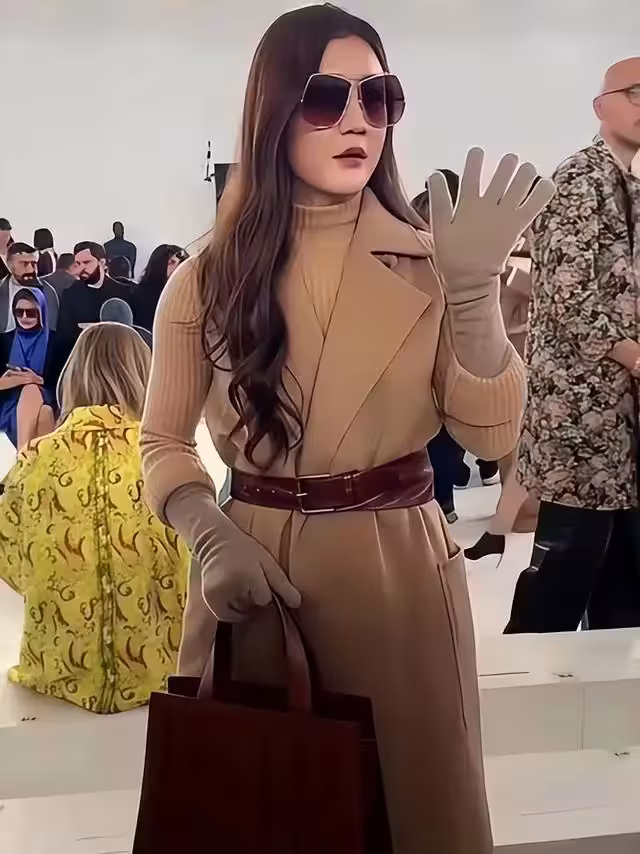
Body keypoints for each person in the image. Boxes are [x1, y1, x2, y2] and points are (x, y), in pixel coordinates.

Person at [140, 7, 553, 852]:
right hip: (257, 573)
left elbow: (492, 437)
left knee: (410, 812)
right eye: (328, 97)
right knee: (260, 810)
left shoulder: (433, 264)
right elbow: (164, 442)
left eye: (380, 96)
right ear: (273, 111)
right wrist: (209, 534)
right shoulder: (207, 280)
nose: (359, 119)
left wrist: (476, 301)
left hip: (396, 574)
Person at [507, 57, 640, 633]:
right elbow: (567, 296)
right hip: (581, 418)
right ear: (601, 106)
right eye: (636, 93)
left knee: (621, 586)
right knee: (563, 572)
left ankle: (604, 676)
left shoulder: (629, 183)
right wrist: (634, 356)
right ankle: (529, 673)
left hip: (623, 425)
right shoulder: (577, 179)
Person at [0, 322, 189, 713]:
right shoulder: (165, 455)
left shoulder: (37, 458)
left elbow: (10, 552)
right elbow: (194, 559)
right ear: (144, 373)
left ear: (75, 374)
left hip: (58, 669)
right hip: (160, 668)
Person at [54, 241, 132, 377]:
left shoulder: (124, 292)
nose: (81, 269)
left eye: (86, 262)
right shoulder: (70, 294)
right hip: (82, 366)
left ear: (102, 263)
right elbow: (64, 335)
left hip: (116, 366)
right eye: (78, 264)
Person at [0, 288, 56, 448]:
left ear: (41, 312)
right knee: (44, 414)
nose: (24, 317)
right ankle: (30, 457)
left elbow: (64, 382)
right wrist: (8, 382)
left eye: (31, 313)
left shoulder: (57, 342)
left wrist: (37, 380)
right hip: (9, 401)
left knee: (31, 390)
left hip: (47, 395)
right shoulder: (4, 340)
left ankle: (22, 453)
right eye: (19, 312)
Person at [0, 242, 59, 332]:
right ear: (10, 265)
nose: (31, 269)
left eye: (34, 263)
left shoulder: (48, 291)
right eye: (24, 263)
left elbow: (52, 328)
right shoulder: (1, 289)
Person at [130, 244, 188, 331]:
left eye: (182, 263)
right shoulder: (142, 295)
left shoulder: (186, 294)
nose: (178, 267)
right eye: (171, 262)